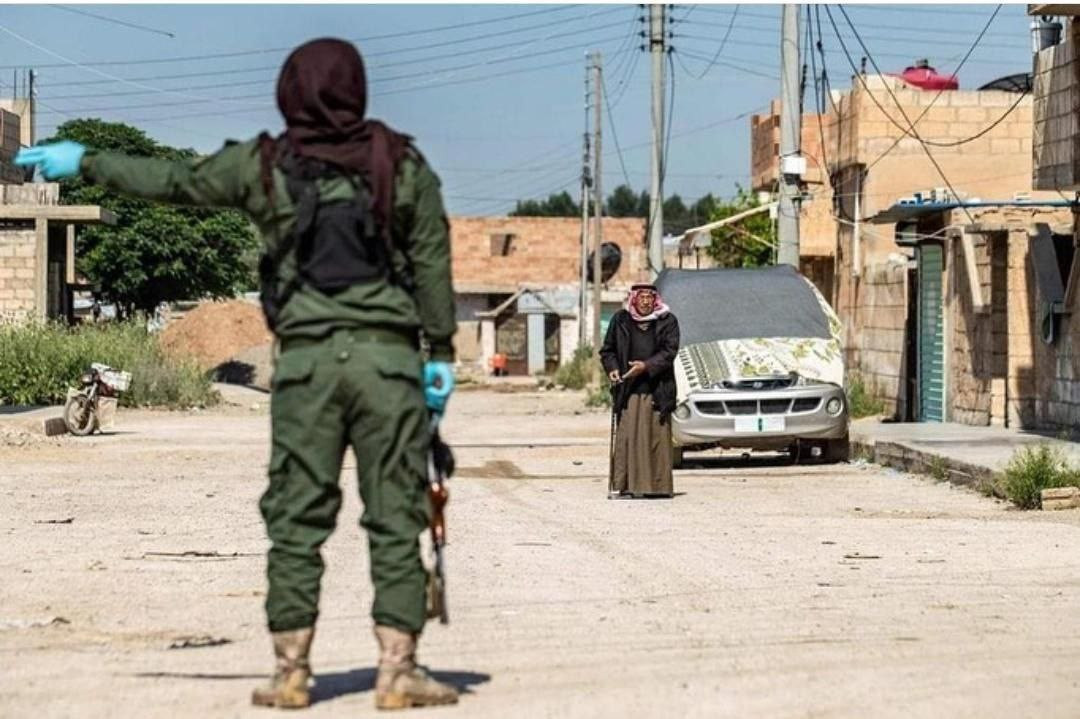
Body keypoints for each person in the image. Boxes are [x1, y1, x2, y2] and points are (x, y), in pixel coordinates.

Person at [18, 38, 460, 711]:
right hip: (387, 364)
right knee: (396, 514)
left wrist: (88, 161)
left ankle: (290, 672)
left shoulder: (265, 166)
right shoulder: (400, 164)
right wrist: (441, 355)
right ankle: (397, 672)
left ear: (290, 91)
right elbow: (431, 262)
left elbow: (175, 181)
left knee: (296, 516)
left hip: (306, 368)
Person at [599, 284, 680, 498]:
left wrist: (645, 366)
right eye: (641, 297)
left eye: (649, 297)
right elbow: (607, 350)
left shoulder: (667, 321)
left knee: (655, 439)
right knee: (627, 437)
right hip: (628, 390)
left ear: (655, 299)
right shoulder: (621, 320)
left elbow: (669, 352)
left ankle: (657, 487)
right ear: (634, 299)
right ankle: (626, 485)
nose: (645, 301)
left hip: (657, 390)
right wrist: (612, 369)